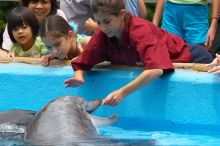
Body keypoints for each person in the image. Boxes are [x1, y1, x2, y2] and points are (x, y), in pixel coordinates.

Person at [64, 0, 213, 106]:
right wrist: (79, 77)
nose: (102, 27)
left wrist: (122, 92)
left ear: (122, 14)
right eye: (99, 22)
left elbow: (156, 69)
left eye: (107, 21)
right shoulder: (103, 34)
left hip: (194, 57)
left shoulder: (141, 30)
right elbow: (83, 61)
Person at [1, 0, 67, 52]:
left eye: (44, 2)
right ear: (27, 4)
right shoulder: (16, 20)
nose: (39, 6)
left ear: (51, 4)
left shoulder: (58, 15)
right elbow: (7, 50)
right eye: (34, 1)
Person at [152, 0, 219, 48]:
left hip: (197, 14)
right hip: (171, 13)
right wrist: (154, 25)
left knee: (199, 53)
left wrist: (214, 24)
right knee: (169, 53)